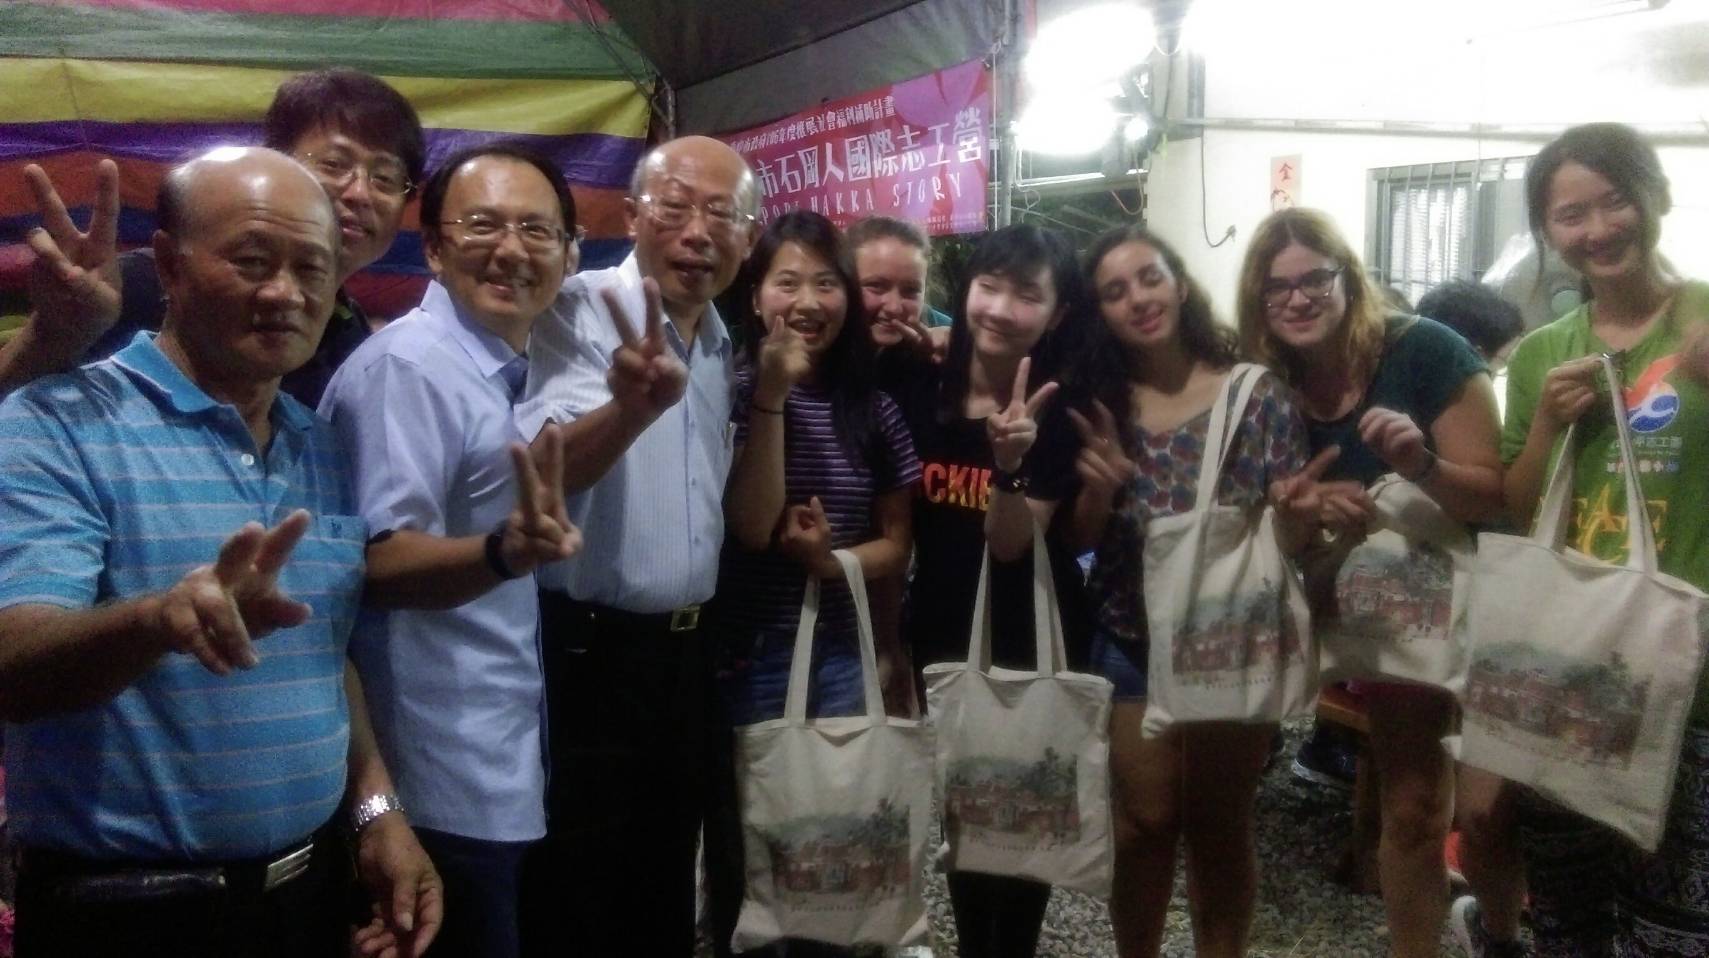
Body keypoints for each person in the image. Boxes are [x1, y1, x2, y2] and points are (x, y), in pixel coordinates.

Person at [0, 148, 440, 957]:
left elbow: (321, 654)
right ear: (169, 264)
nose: (285, 292)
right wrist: (158, 620)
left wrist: (378, 813)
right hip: (128, 918)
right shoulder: (56, 421)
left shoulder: (318, 444)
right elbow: (13, 667)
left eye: (311, 267)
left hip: (307, 899)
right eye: (252, 261)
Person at [1002, 225, 1316, 958]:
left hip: (1228, 639)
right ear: (1098, 312)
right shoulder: (1099, 404)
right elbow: (1079, 542)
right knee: (1142, 824)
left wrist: (1301, 516)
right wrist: (1099, 491)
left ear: (1179, 282)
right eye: (1114, 292)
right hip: (1128, 634)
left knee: (1218, 827)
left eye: (1149, 277)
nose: (1138, 299)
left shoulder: (1255, 394)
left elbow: (1291, 538)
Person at [319, 142, 584, 958]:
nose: (511, 250)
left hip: (489, 764)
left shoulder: (495, 369)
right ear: (432, 247)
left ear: (569, 255)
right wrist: (503, 552)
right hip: (429, 780)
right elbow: (373, 565)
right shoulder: (409, 368)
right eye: (482, 226)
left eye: (536, 231)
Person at [1236, 207, 1505, 958]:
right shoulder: (1269, 387)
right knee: (1414, 805)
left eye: (1314, 279)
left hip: (1484, 603)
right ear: (1257, 301)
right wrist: (1297, 516)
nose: (1297, 298)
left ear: (1348, 279)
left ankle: (1503, 933)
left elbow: (1495, 498)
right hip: (1387, 618)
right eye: (1276, 287)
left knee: (1490, 818)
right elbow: (1278, 539)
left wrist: (1420, 464)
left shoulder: (1425, 352)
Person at [513, 135, 758, 956]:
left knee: (664, 877)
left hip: (687, 657)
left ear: (748, 237)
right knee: (578, 892)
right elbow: (543, 471)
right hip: (589, 656)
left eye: (721, 215)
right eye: (676, 207)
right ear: (631, 215)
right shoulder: (574, 309)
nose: (698, 232)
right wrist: (630, 408)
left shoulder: (720, 342)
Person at [1492, 122, 1709, 958]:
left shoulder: (1703, 319)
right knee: (1567, 913)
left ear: (1655, 196)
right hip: (1574, 666)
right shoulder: (1542, 353)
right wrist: (1548, 423)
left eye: (1614, 202)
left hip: (1690, 665)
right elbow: (1520, 510)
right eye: (1569, 214)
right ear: (1547, 232)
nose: (1596, 229)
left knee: (1676, 924)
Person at [701, 210, 920, 957]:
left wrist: (831, 566)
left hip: (840, 654)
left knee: (835, 845)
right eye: (786, 282)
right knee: (752, 854)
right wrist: (770, 395)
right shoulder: (728, 392)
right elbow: (752, 527)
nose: (807, 301)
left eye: (826, 283)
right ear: (754, 294)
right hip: (747, 653)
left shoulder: (874, 408)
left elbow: (897, 544)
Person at [886, 224, 1092, 958]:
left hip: (1032, 631)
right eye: (988, 286)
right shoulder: (918, 383)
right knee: (964, 818)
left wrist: (1008, 467)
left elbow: (1009, 544)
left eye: (1026, 295)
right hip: (941, 628)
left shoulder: (1060, 406)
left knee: (1023, 821)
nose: (1001, 309)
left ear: (1057, 314)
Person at [0, 68, 426, 407]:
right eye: (334, 164)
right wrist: (54, 335)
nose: (359, 193)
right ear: (271, 161)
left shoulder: (350, 333)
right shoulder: (145, 283)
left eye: (386, 178)